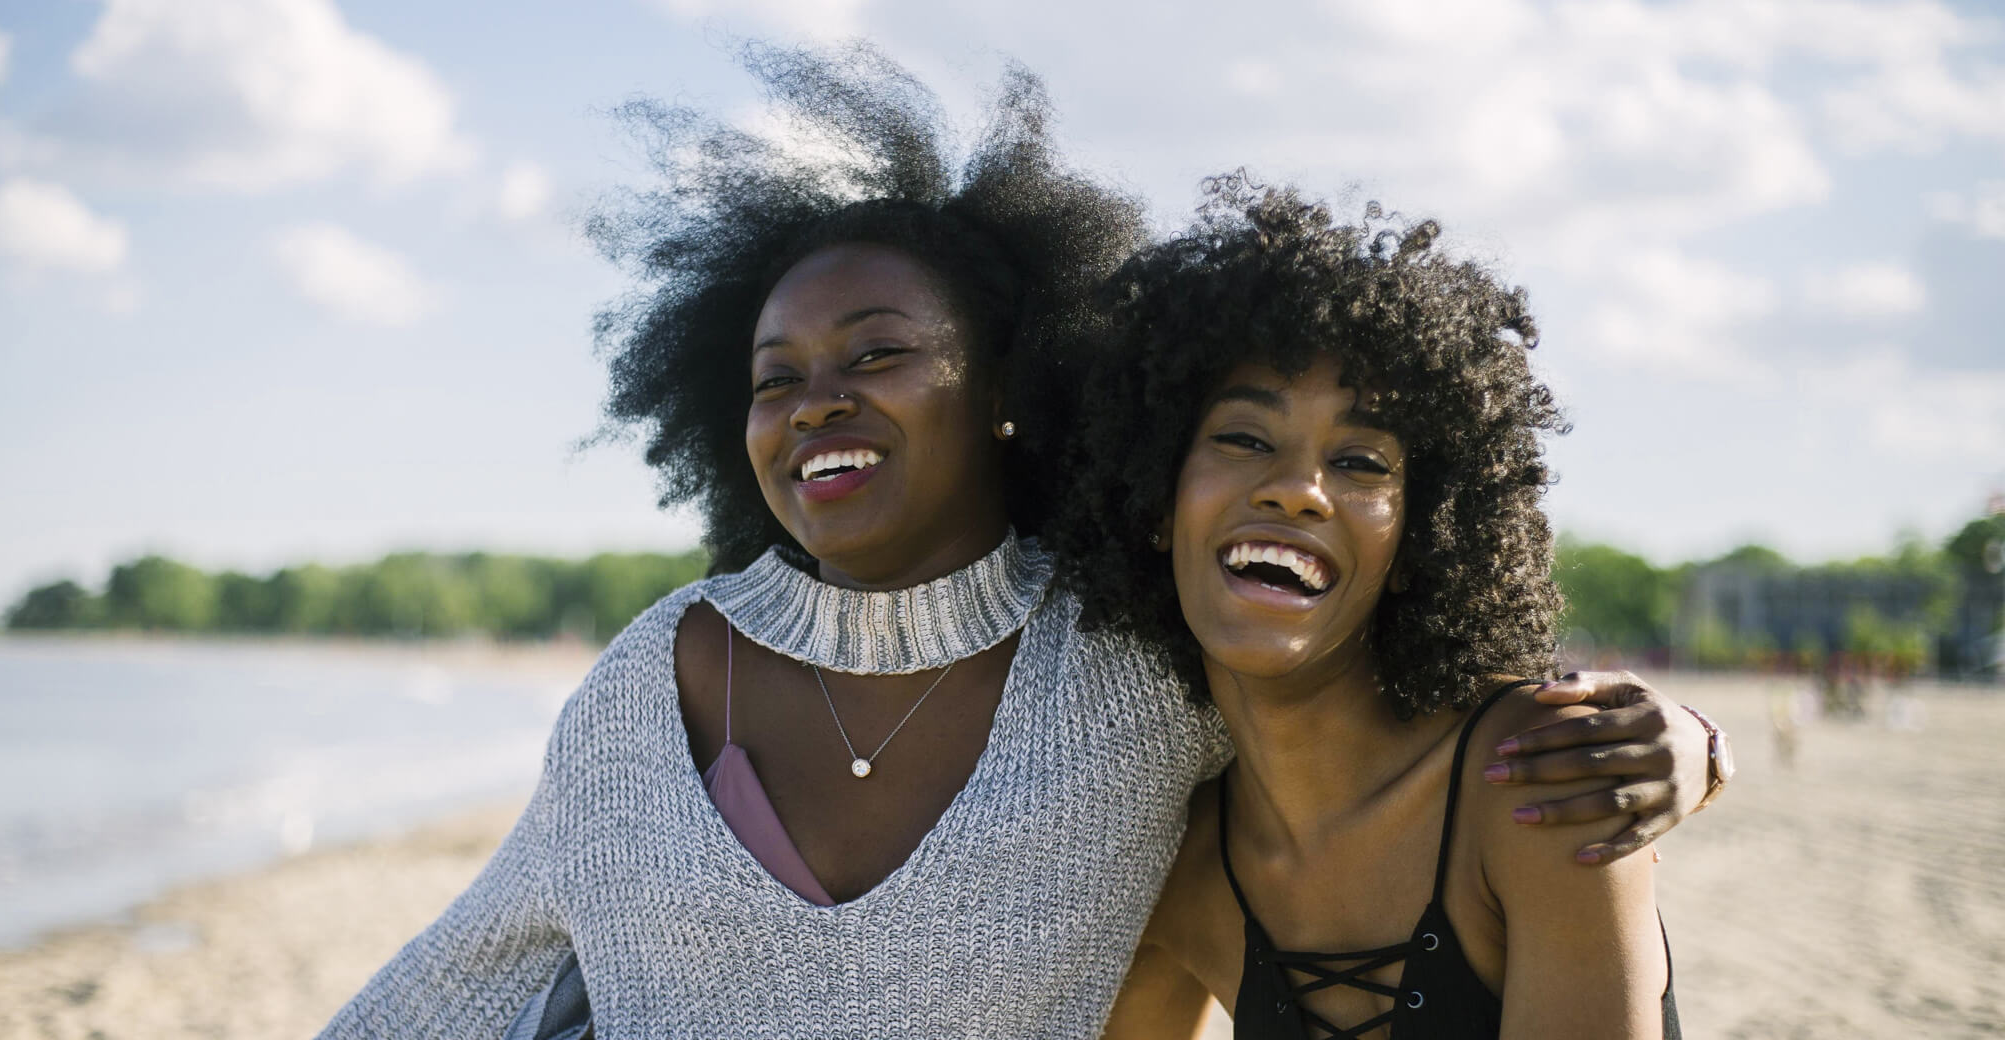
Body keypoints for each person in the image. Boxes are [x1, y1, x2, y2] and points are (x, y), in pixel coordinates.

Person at [320, 47, 1717, 1039]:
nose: (820, 402)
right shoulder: (649, 681)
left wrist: (1685, 736)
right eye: (775, 376)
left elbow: (1370, 686)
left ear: (1006, 392)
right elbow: (459, 981)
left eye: (879, 352)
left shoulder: (1132, 661)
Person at [1056, 180, 1686, 1038]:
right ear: (1156, 504)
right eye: (1244, 439)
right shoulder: (1182, 866)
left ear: (1415, 544)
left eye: (1360, 461)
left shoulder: (1537, 782)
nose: (1296, 490)